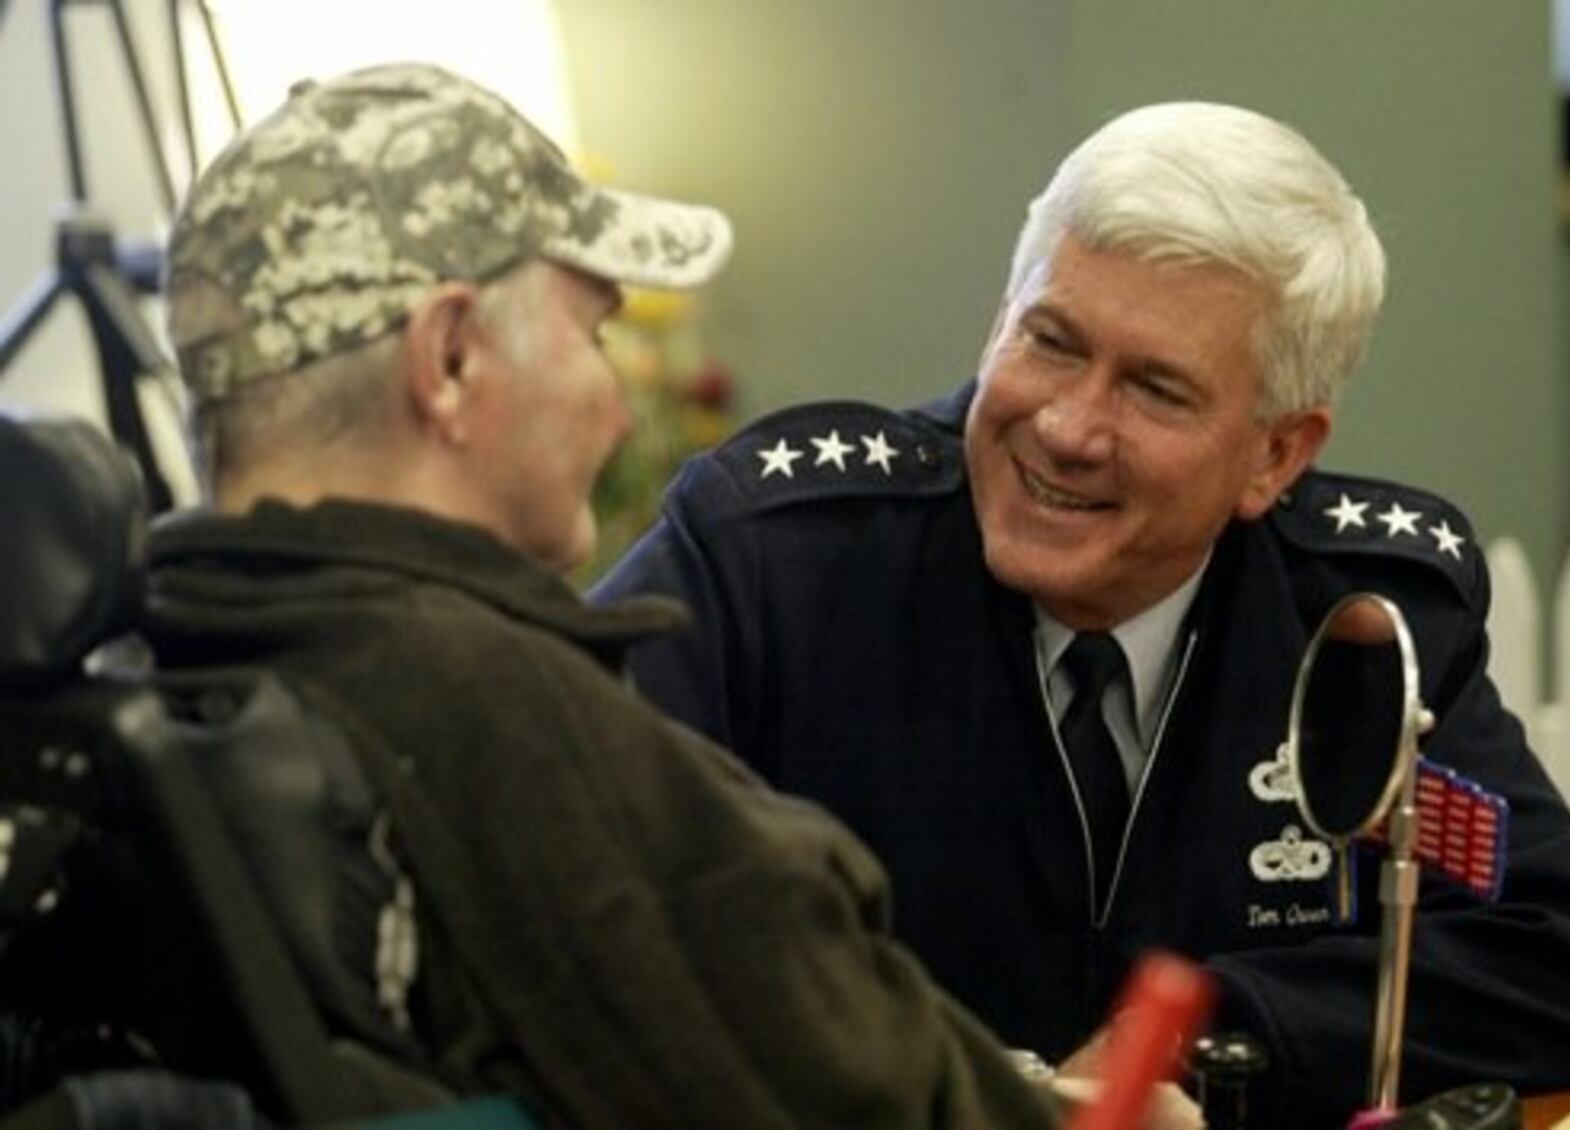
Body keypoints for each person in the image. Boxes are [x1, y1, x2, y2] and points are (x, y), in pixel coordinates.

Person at [593, 101, 1570, 1128]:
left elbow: (1551, 944)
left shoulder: (1362, 616)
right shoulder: (775, 556)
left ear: (1275, 454)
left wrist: (1201, 1041)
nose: (1069, 427)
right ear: (999, 318)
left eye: (1155, 390)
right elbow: (561, 875)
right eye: (1050, 341)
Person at [142, 60, 1087, 1130]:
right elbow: (867, 1089)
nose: (615, 414)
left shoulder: (150, 677)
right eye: (591, 336)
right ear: (448, 359)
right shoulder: (506, 719)